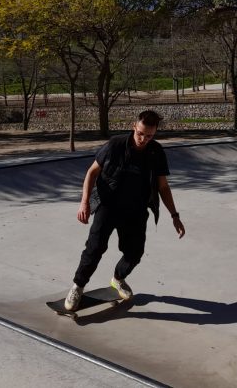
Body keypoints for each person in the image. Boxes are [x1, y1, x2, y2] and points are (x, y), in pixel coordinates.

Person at [64, 110, 186, 310]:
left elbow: (163, 187)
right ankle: (78, 286)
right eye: (140, 133)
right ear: (134, 127)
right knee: (94, 248)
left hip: (136, 210)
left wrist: (175, 216)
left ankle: (118, 278)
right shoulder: (115, 145)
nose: (143, 139)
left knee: (135, 252)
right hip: (108, 205)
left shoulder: (156, 152)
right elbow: (92, 172)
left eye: (149, 136)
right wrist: (84, 202)